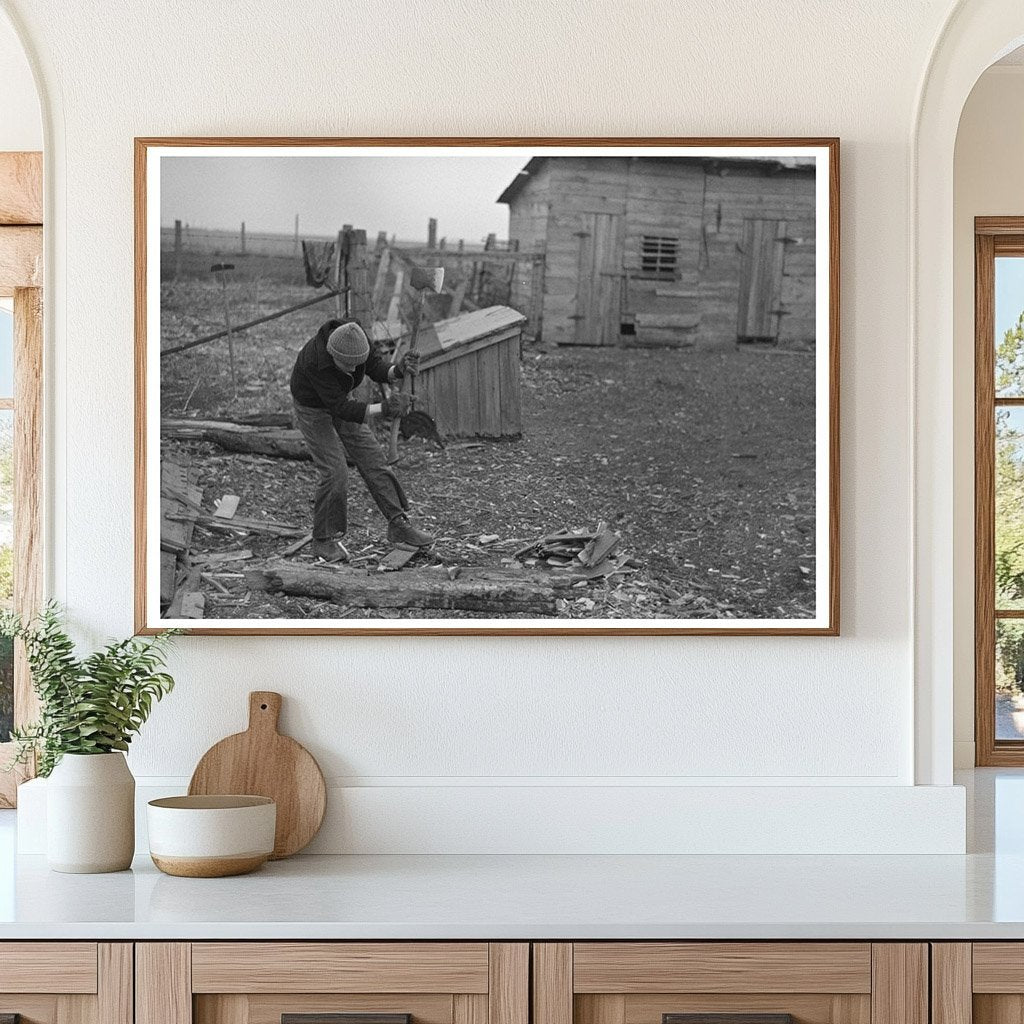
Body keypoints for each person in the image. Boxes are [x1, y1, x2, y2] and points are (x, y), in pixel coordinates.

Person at [289, 318, 435, 562]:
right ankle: (323, 540)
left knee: (374, 459)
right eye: (346, 365)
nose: (351, 369)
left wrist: (398, 369)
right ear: (332, 353)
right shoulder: (315, 361)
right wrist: (385, 408)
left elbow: (376, 368)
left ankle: (398, 523)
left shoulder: (356, 340)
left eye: (356, 364)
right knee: (335, 472)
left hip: (343, 399)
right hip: (312, 408)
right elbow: (343, 408)